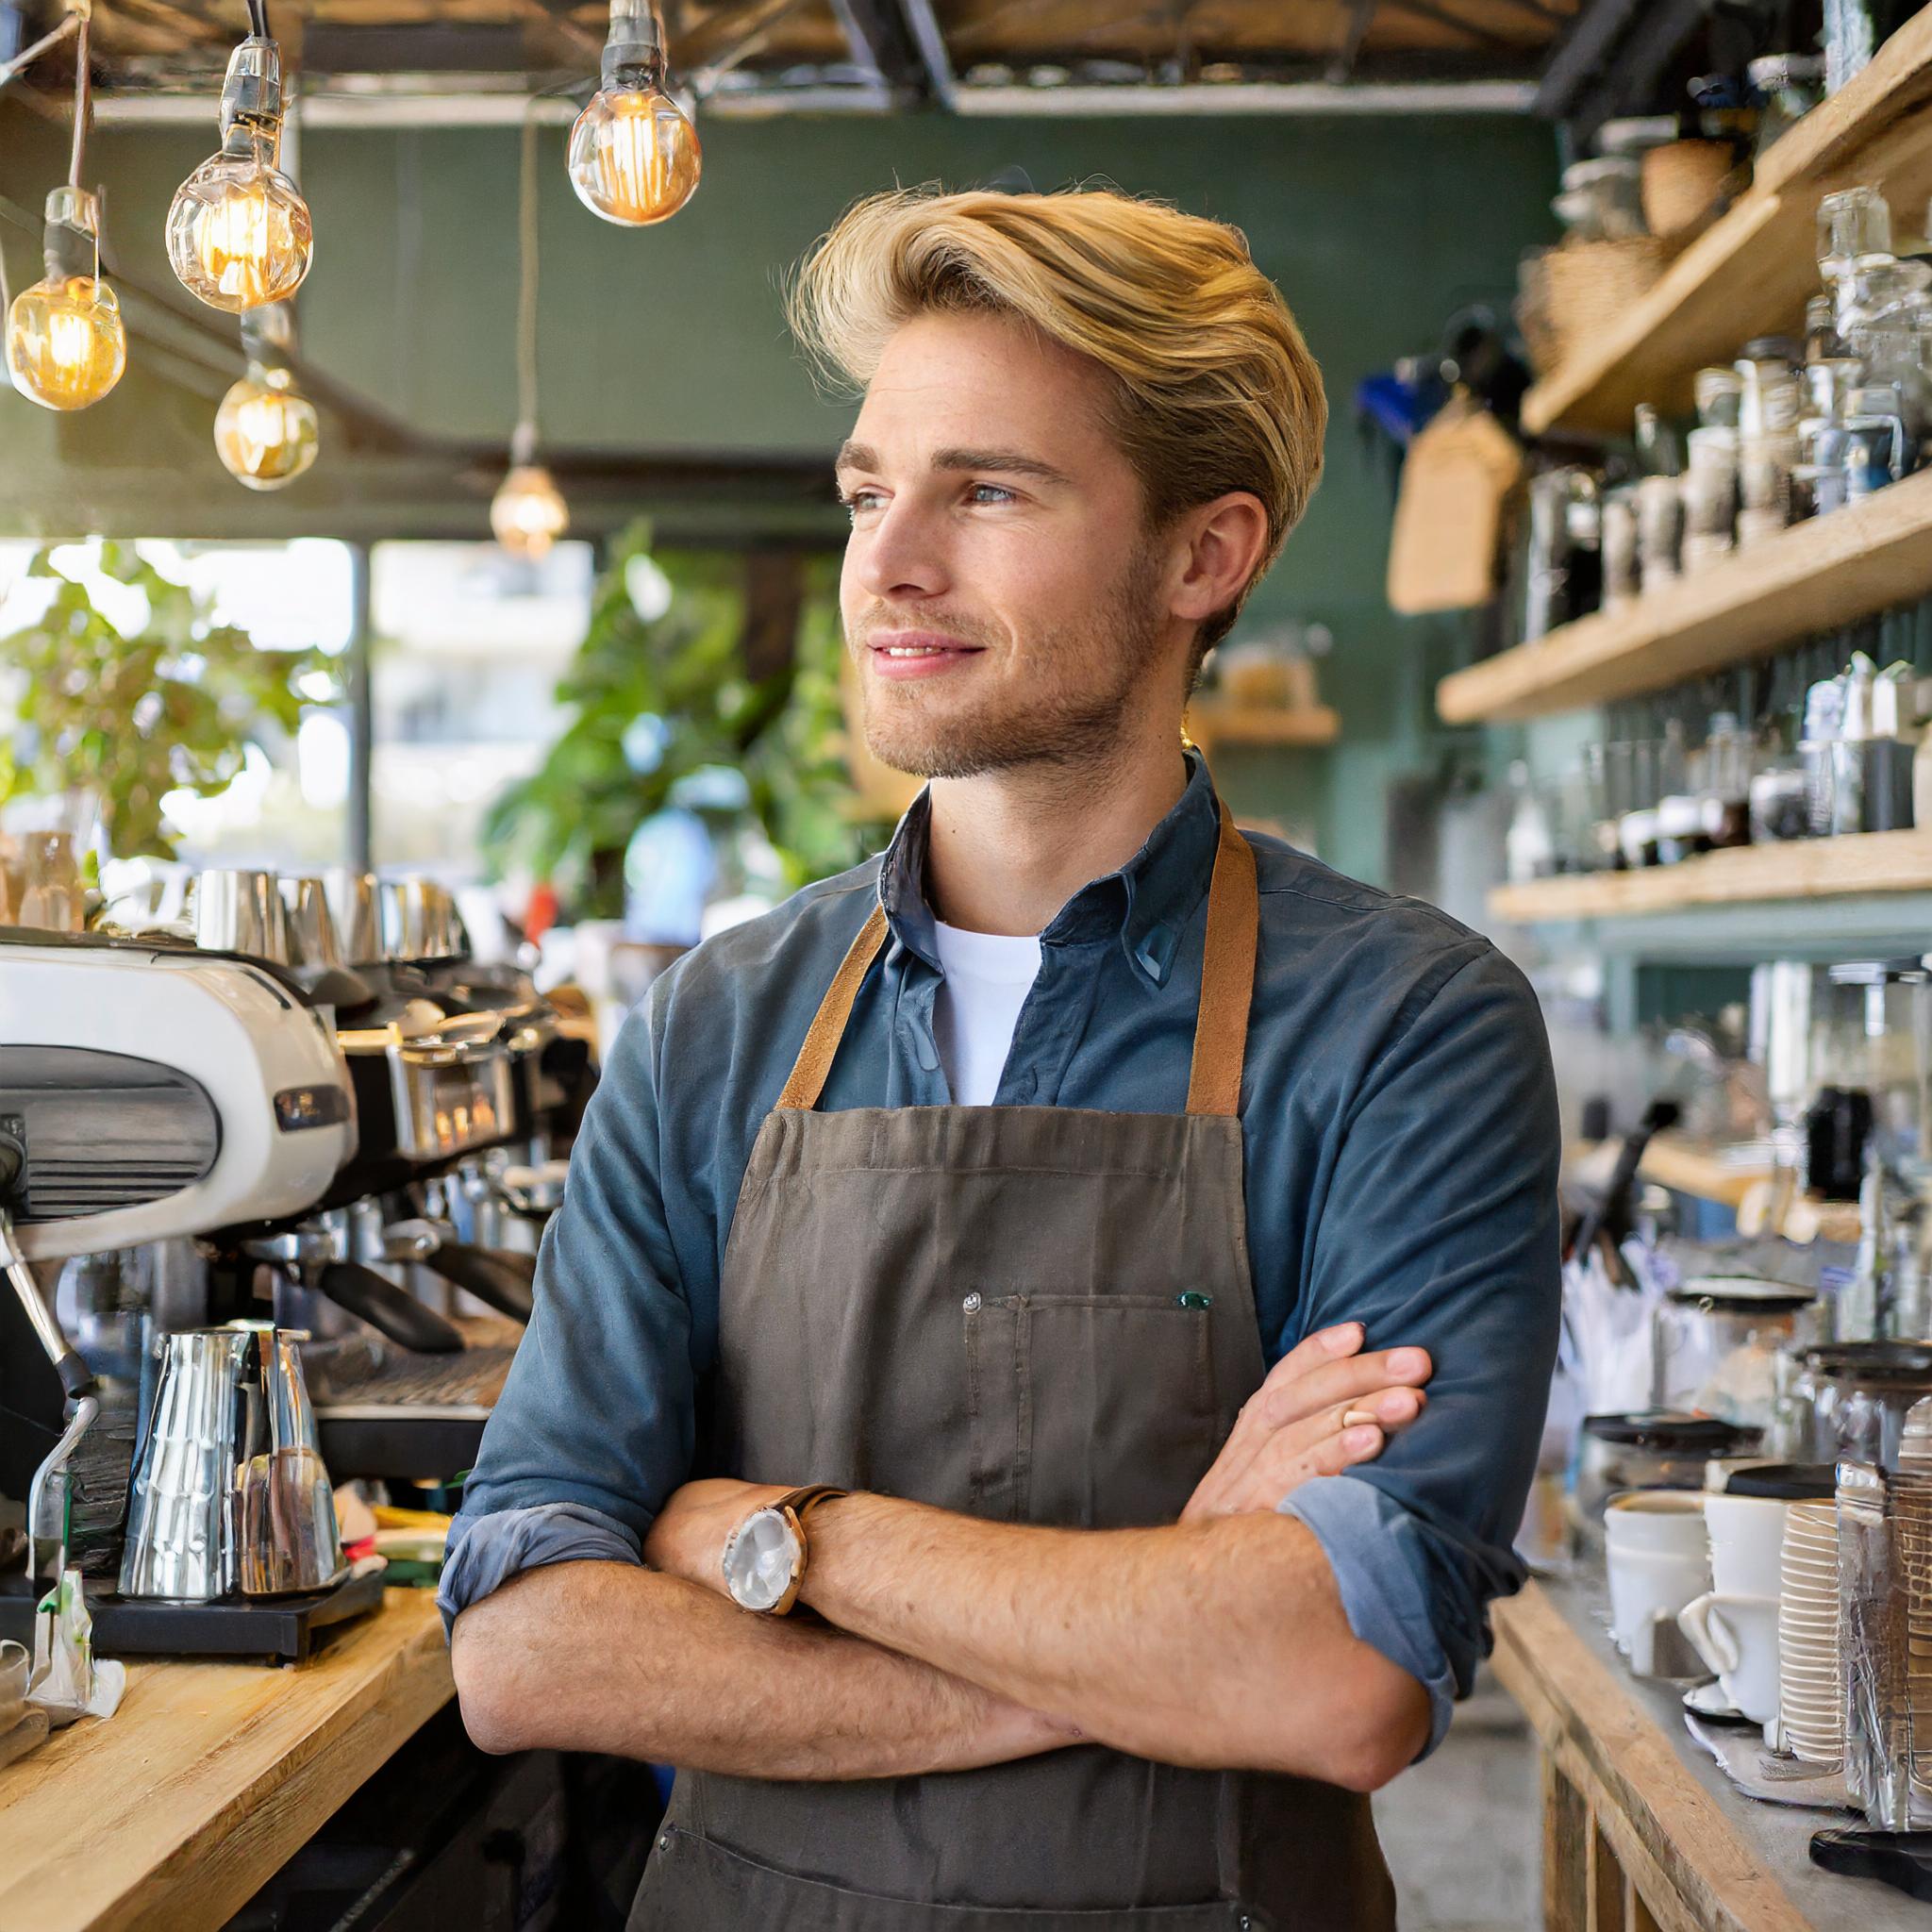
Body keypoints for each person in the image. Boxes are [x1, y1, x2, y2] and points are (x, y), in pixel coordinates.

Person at [442, 186, 1560, 1928]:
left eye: (988, 491)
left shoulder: (1410, 1031)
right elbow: (522, 1650)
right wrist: (1162, 1630)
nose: (889, 563)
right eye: (874, 491)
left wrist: (786, 1537)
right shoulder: (713, 1026)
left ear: (1206, 555)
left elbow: (1339, 1680)